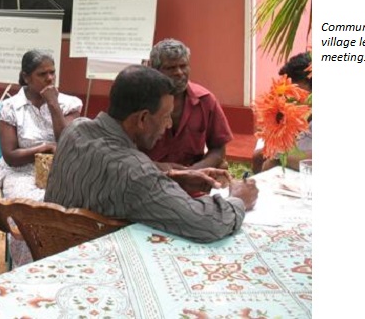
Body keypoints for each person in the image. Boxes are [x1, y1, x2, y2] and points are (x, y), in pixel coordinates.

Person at [45, 65, 258, 243]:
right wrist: (238, 199)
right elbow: (207, 223)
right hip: (98, 266)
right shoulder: (135, 172)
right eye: (165, 116)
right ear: (142, 119)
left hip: (52, 251)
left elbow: (107, 177)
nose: (169, 124)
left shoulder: (74, 130)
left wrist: (170, 177)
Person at [0, 49, 82, 267]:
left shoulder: (69, 104)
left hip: (60, 169)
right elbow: (11, 156)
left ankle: (62, 266)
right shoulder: (10, 107)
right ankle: (28, 269)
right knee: (30, 213)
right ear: (26, 77)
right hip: (21, 171)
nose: (50, 78)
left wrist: (53, 105)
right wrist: (45, 148)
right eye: (42, 74)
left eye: (52, 72)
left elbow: (66, 142)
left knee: (73, 210)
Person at [145, 38, 233, 170]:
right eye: (170, 68)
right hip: (149, 175)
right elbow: (123, 151)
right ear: (154, 70)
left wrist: (193, 172)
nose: (179, 72)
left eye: (183, 66)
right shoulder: (140, 101)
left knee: (222, 168)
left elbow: (218, 148)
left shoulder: (205, 100)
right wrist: (164, 169)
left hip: (193, 176)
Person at [252, 51, 312, 173]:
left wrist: (278, 157)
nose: (292, 98)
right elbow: (258, 160)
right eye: (289, 91)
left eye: (298, 92)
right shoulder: (277, 112)